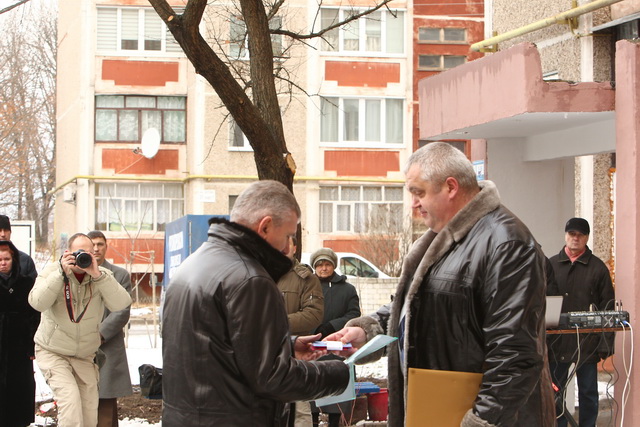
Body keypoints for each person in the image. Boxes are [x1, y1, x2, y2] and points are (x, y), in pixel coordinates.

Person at [327, 142, 555, 427]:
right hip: (437, 412)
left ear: (450, 187)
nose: (413, 204)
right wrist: (368, 330)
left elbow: (514, 354)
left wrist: (479, 421)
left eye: (419, 193)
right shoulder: (442, 238)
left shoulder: (507, 243)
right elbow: (422, 306)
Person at [161, 180, 350, 426]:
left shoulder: (193, 264)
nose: (287, 247)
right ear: (265, 226)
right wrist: (339, 372)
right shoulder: (251, 279)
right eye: (288, 235)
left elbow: (215, 346)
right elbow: (273, 378)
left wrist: (285, 345)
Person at [29, 233, 132, 427]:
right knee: (70, 403)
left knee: (88, 416)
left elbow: (121, 304)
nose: (82, 257)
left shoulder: (101, 276)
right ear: (68, 252)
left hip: (84, 354)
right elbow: (37, 303)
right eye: (79, 252)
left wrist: (98, 276)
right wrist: (60, 273)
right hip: (54, 351)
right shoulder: (53, 271)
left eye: (88, 253)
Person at [547, 217, 615, 427]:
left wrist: (605, 344)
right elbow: (538, 302)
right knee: (554, 393)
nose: (575, 238)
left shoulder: (598, 269)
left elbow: (608, 308)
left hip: (587, 343)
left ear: (587, 238)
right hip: (556, 342)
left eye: (580, 235)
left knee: (588, 393)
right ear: (565, 235)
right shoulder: (550, 265)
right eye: (572, 234)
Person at [87, 230, 133, 427]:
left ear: (106, 246)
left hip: (107, 345)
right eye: (92, 245)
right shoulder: (77, 273)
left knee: (105, 403)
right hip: (80, 348)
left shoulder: (119, 275)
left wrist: (99, 334)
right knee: (84, 403)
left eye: (100, 244)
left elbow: (122, 310)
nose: (96, 249)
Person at [277, 236, 324, 427]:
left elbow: (313, 314)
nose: (281, 248)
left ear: (295, 247)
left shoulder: (306, 278)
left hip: (294, 354)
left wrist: (276, 323)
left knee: (298, 410)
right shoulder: (258, 273)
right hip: (262, 354)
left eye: (287, 243)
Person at [0, 240, 40, 427]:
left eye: (7, 259)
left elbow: (35, 315)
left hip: (19, 346)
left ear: (14, 259)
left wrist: (32, 344)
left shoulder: (26, 283)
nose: (3, 263)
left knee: (19, 390)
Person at [310, 248, 361, 338]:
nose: (324, 268)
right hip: (309, 338)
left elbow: (354, 314)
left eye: (328, 265)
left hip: (339, 338)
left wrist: (332, 326)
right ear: (315, 267)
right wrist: (314, 329)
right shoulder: (306, 287)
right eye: (320, 265)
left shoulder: (348, 289)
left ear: (334, 266)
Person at [0, 214, 37, 280]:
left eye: (6, 230)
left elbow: (35, 285)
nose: (3, 234)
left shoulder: (25, 260)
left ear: (10, 232)